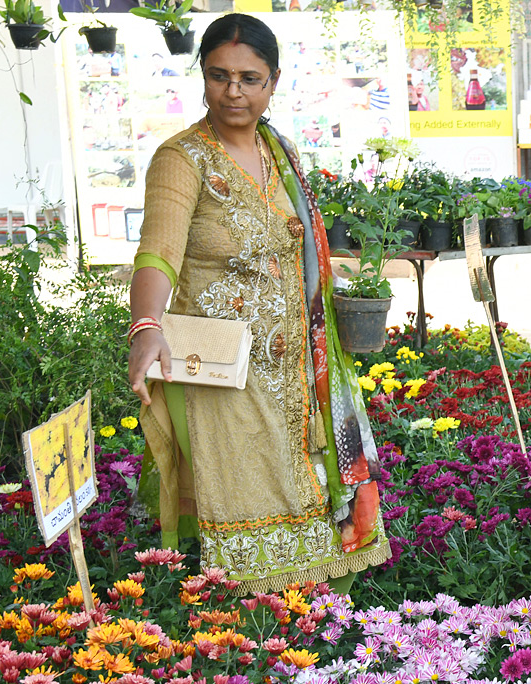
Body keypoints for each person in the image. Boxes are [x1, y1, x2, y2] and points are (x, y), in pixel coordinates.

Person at [128, 13, 388, 594]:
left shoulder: (281, 150)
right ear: (202, 78)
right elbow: (158, 253)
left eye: (250, 78)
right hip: (228, 378)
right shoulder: (182, 158)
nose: (234, 92)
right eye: (219, 76)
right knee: (248, 520)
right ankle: (251, 649)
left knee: (317, 501)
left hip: (300, 372)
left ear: (273, 81)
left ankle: (319, 646)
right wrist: (146, 325)